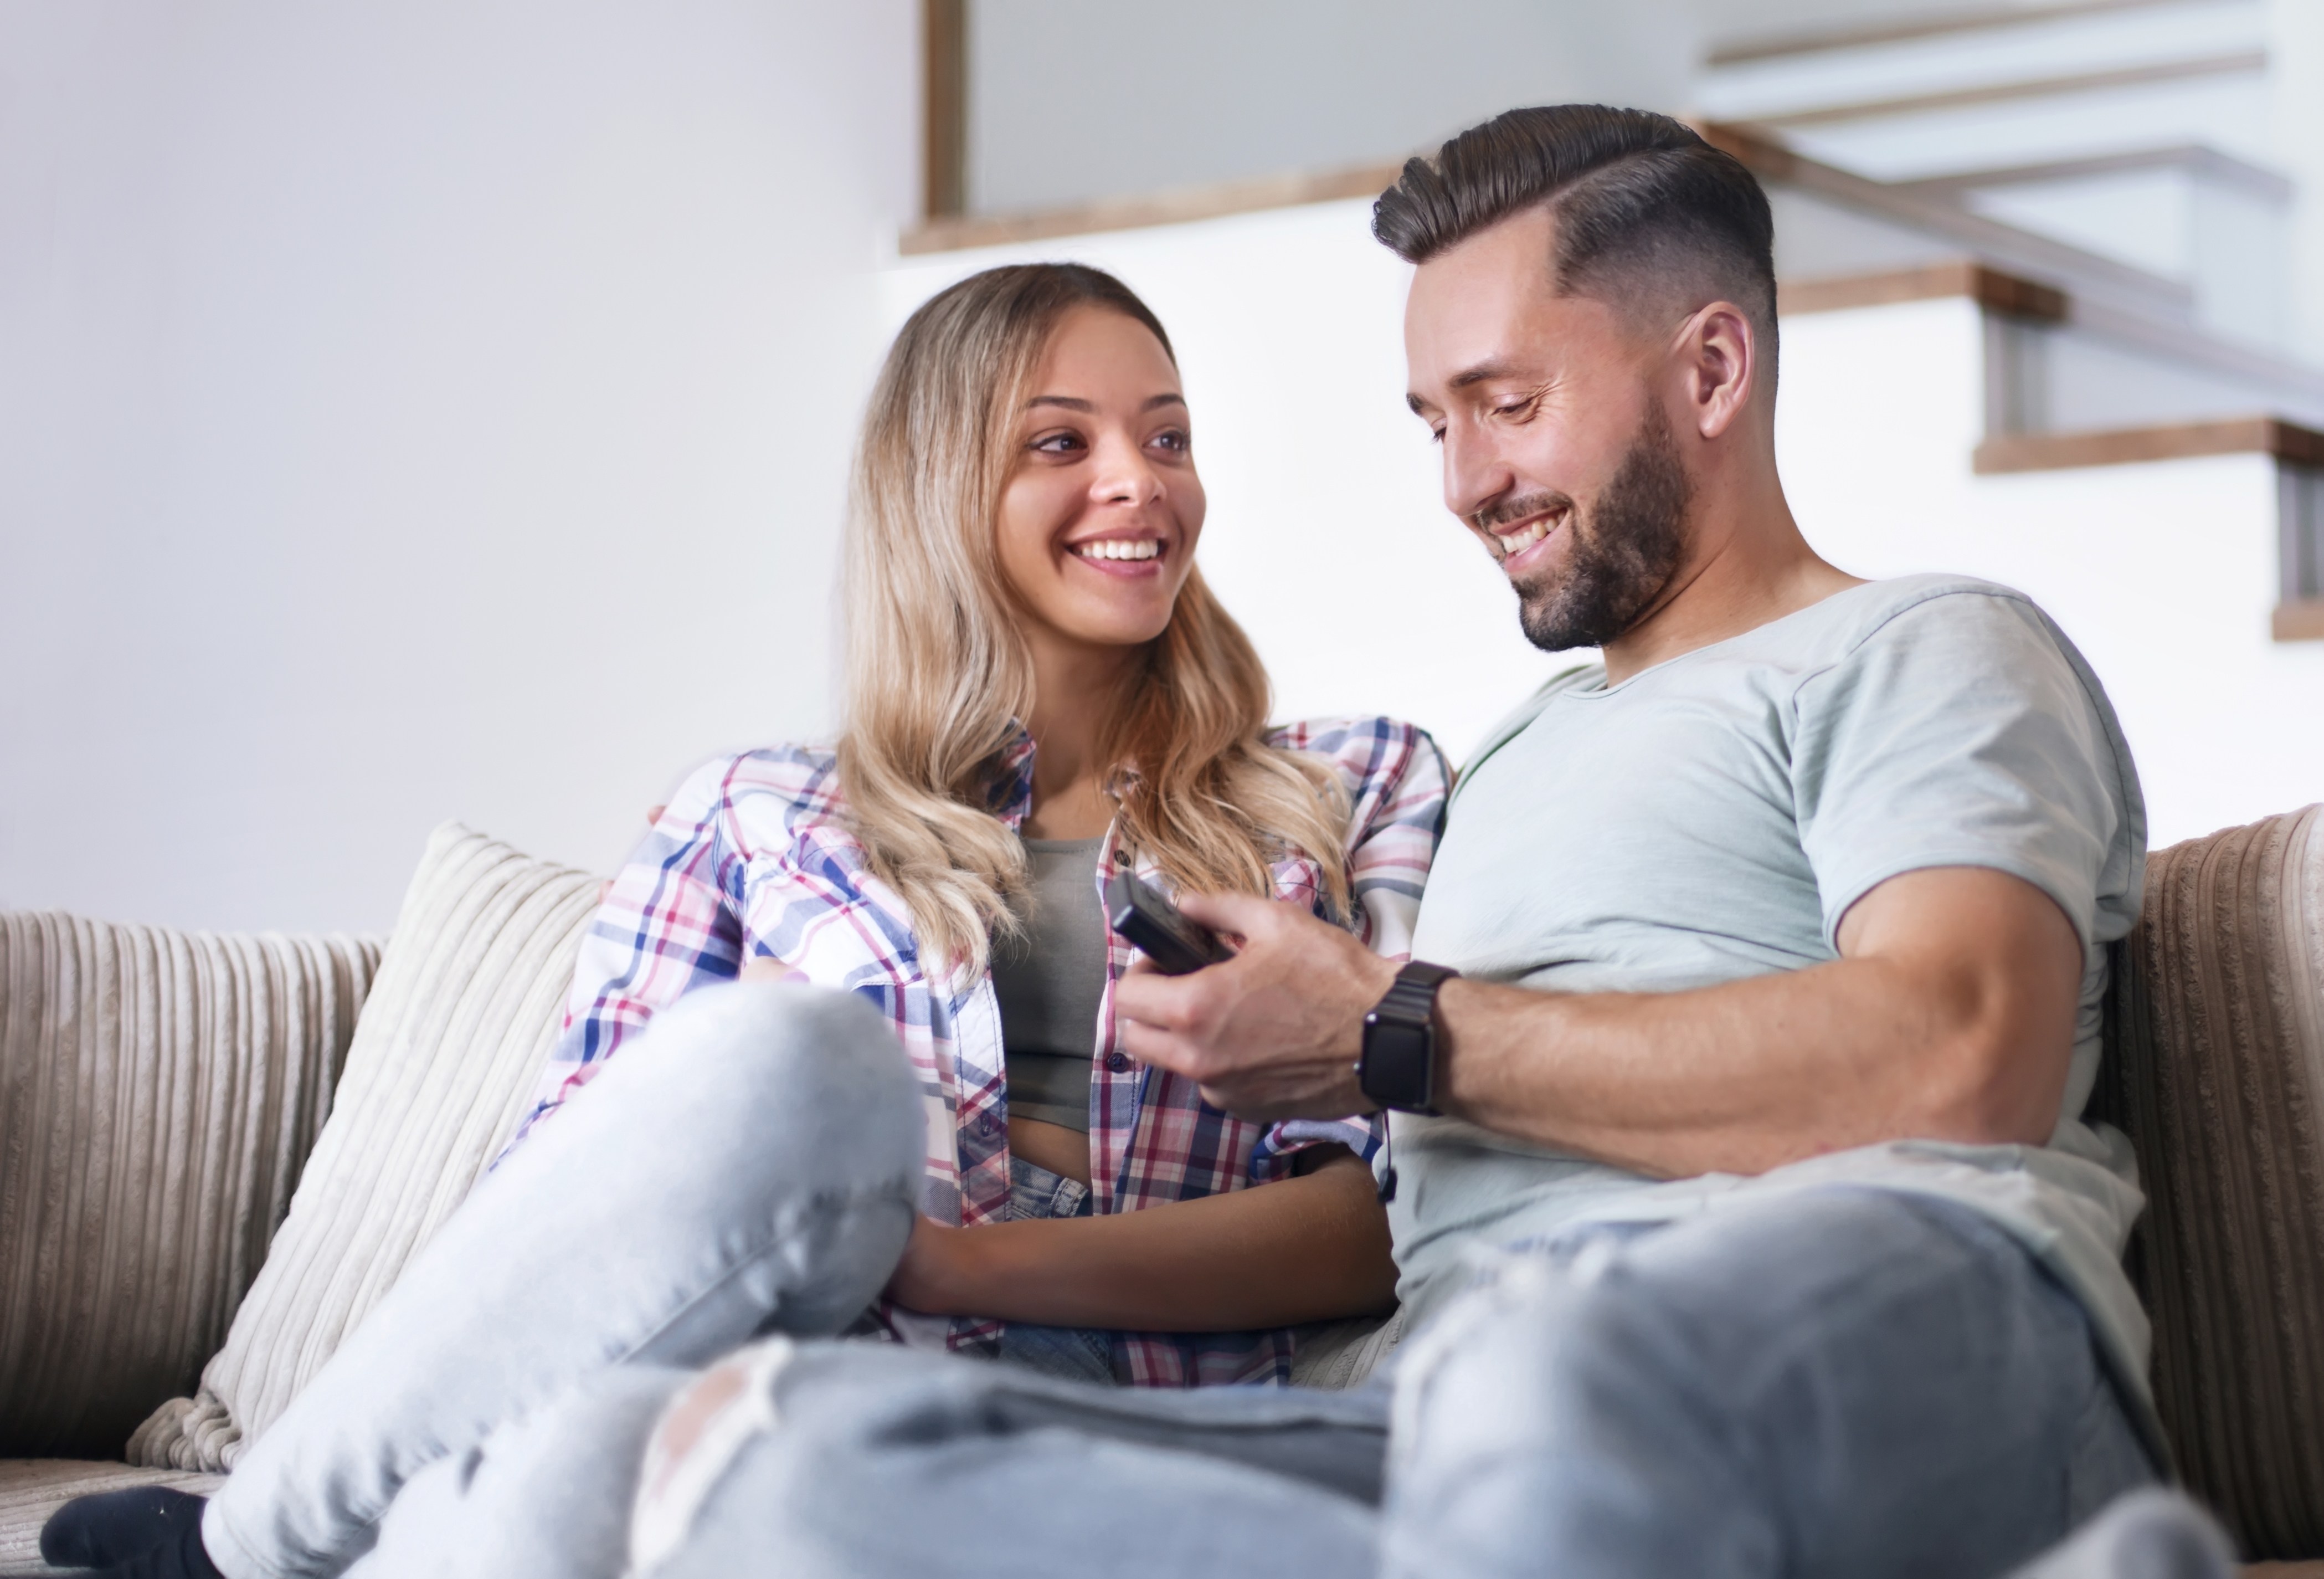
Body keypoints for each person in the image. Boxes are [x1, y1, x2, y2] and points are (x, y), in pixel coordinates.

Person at [43, 262, 1446, 1579]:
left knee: (577, 1475)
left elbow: (1374, 1223)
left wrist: (959, 1256)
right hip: (795, 1318)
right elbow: (574, 1198)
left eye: (1170, 436)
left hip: (1097, 1391)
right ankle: (270, 1534)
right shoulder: (750, 814)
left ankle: (246, 1548)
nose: (1141, 483)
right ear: (939, 487)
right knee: (782, 1079)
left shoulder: (1348, 785)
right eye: (1061, 444)